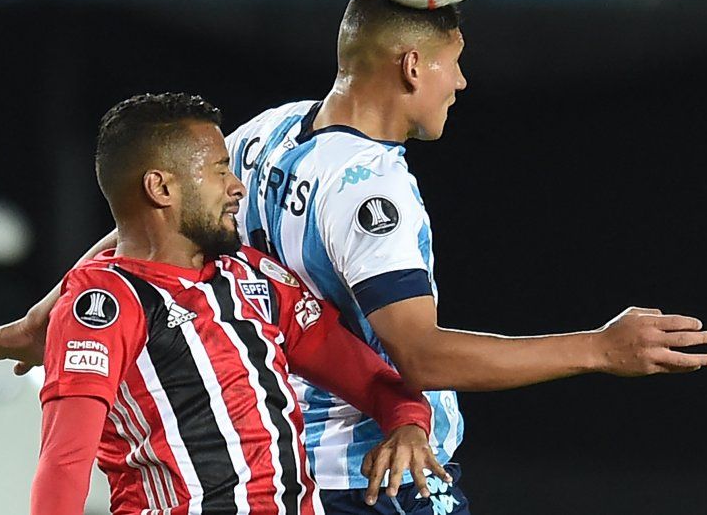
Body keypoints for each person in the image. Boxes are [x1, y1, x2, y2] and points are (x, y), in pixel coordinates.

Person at [0, 0, 707, 515]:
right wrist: (597, 349)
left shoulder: (271, 132)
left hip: (295, 474)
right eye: (454, 62)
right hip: (373, 479)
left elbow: (136, 220)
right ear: (412, 65)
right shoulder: (370, 189)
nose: (462, 82)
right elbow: (422, 356)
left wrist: (45, 313)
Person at [26, 92, 449, 514]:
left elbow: (373, 381)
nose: (236, 187)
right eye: (218, 171)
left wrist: (408, 422)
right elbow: (65, 463)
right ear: (161, 187)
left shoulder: (253, 276)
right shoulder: (103, 303)